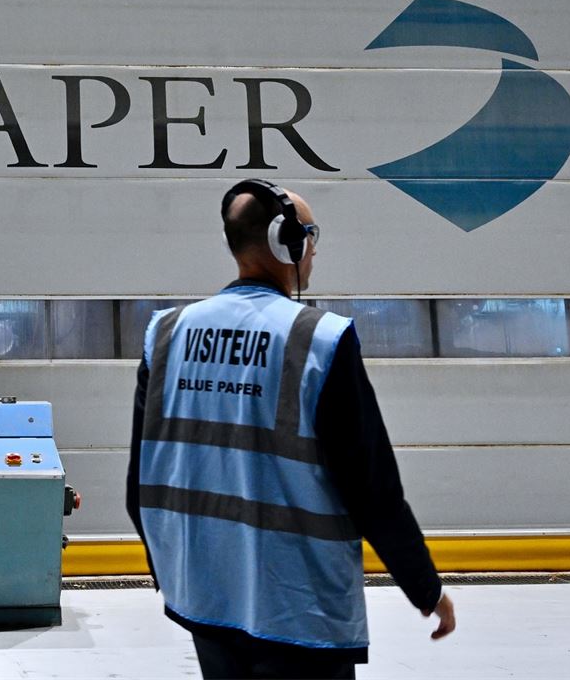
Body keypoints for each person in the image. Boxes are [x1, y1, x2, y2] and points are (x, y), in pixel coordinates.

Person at [126, 179, 455, 679]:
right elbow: (373, 489)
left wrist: (173, 570)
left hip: (204, 598)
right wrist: (425, 587)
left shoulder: (166, 334)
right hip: (298, 610)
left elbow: (139, 483)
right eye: (310, 234)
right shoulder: (319, 339)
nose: (314, 249)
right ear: (289, 243)